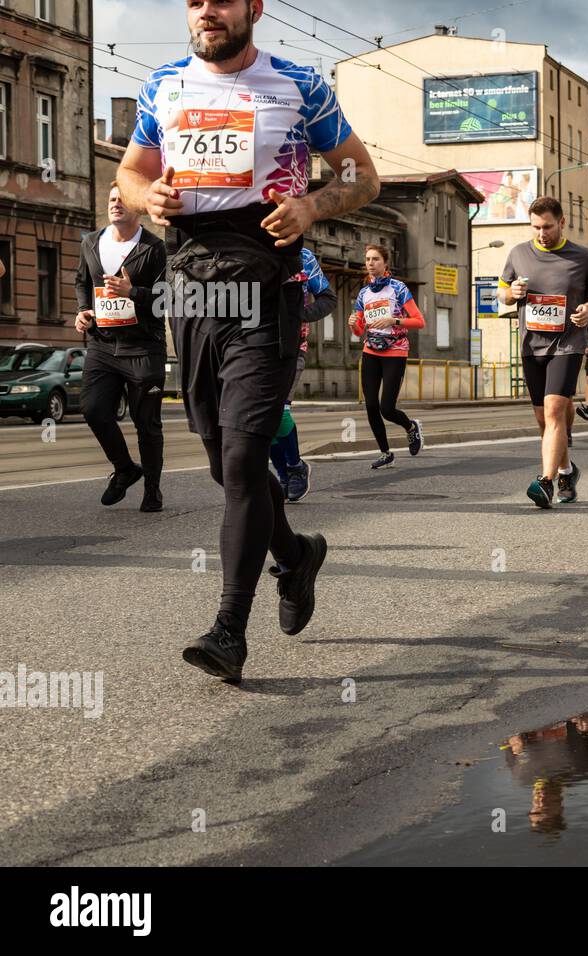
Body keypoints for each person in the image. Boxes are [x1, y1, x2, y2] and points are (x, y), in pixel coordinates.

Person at [118, 0, 380, 683]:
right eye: (196, 0)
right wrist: (148, 200)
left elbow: (362, 175)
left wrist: (311, 205)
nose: (208, 11)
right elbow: (131, 172)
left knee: (242, 458)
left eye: (223, 0)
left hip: (269, 288)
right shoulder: (164, 84)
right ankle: (296, 558)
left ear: (254, 9)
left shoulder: (298, 84)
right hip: (193, 287)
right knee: (219, 459)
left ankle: (229, 630)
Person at [500, 196, 588, 508]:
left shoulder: (582, 257)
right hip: (531, 345)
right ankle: (566, 471)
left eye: (547, 226)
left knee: (553, 411)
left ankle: (546, 482)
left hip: (568, 344)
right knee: (544, 418)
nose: (541, 233)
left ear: (562, 223)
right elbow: (502, 292)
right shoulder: (518, 254)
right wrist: (511, 293)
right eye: (535, 226)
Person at [73, 181, 168, 512]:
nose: (115, 204)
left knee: (147, 423)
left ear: (137, 208)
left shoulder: (155, 249)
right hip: (102, 345)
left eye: (122, 199)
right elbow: (83, 281)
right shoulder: (91, 243)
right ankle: (126, 468)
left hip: (143, 348)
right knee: (93, 409)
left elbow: (168, 298)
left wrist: (134, 293)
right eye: (112, 199)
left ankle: (153, 490)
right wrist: (83, 310)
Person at [269, 246, 337, 501]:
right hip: (251, 347)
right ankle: (283, 473)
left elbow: (328, 298)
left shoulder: (303, 256)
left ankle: (296, 467)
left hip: (292, 347)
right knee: (262, 417)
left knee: (278, 410)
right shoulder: (244, 248)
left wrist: (299, 315)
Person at [350, 244, 425, 468]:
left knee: (387, 408)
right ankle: (385, 453)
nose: (370, 263)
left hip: (395, 352)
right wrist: (353, 324)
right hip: (370, 351)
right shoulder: (363, 293)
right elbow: (359, 330)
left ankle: (410, 427)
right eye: (367, 259)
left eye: (375, 259)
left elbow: (419, 321)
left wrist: (394, 320)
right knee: (371, 405)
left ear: (385, 263)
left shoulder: (398, 289)